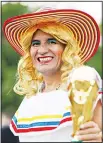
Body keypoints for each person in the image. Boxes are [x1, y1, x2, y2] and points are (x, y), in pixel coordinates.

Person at [3, 7, 102, 142]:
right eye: (35, 43)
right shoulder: (31, 96)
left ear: (66, 47)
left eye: (52, 41)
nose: (42, 50)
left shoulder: (83, 79)